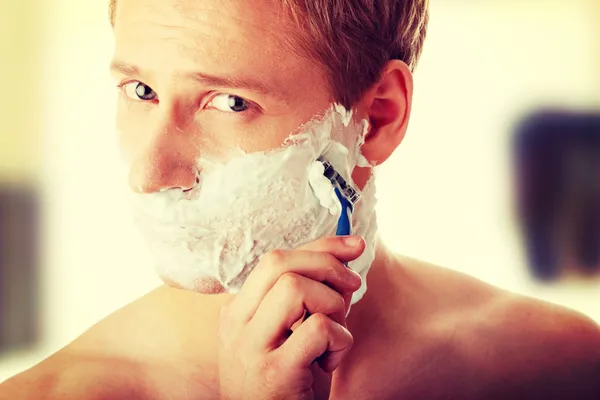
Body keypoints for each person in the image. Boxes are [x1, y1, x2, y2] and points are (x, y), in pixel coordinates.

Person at [2, 0, 600, 399]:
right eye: (141, 90)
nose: (150, 174)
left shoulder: (560, 365)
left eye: (230, 102)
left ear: (377, 119)